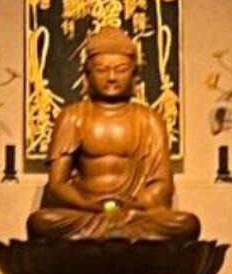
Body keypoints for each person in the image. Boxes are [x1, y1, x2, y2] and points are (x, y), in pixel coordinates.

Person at [26, 27, 199, 243]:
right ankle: (117, 236)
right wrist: (90, 205)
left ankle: (110, 235)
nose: (111, 77)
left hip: (134, 212)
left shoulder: (150, 120)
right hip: (87, 212)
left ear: (134, 72)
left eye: (120, 69)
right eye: (101, 70)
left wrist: (131, 205)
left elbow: (162, 185)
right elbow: (57, 186)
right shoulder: (73, 117)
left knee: (186, 224)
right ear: (87, 73)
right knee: (41, 222)